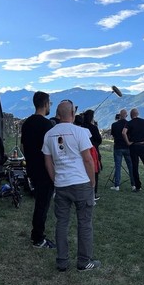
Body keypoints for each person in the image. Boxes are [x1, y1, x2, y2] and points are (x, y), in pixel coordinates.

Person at [43, 99, 101, 272]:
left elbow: (48, 162)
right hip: (81, 183)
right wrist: (92, 181)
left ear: (58, 115)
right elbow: (88, 159)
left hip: (61, 184)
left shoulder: (49, 134)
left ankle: (62, 262)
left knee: (62, 223)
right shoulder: (81, 132)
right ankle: (84, 262)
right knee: (84, 223)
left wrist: (56, 180)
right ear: (73, 114)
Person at [20, 91, 55, 249]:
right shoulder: (47, 125)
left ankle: (37, 234)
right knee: (42, 205)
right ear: (46, 104)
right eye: (50, 104)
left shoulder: (27, 123)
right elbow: (52, 150)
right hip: (44, 169)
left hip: (32, 168)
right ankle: (38, 238)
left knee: (40, 203)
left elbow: (22, 146)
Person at [122, 108, 144, 192]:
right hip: (143, 146)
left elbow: (123, 132)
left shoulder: (129, 123)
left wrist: (128, 142)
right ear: (137, 114)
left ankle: (138, 186)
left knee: (135, 166)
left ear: (131, 115)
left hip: (133, 146)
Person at [110, 109, 134, 191]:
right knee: (131, 166)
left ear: (119, 115)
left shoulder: (114, 125)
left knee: (117, 166)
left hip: (117, 147)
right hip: (128, 147)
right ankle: (133, 185)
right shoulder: (129, 124)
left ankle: (117, 186)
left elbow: (113, 135)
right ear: (126, 115)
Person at [82, 109, 102, 200]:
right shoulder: (93, 128)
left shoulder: (81, 127)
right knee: (94, 172)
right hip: (93, 152)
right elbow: (99, 140)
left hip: (82, 152)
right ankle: (93, 193)